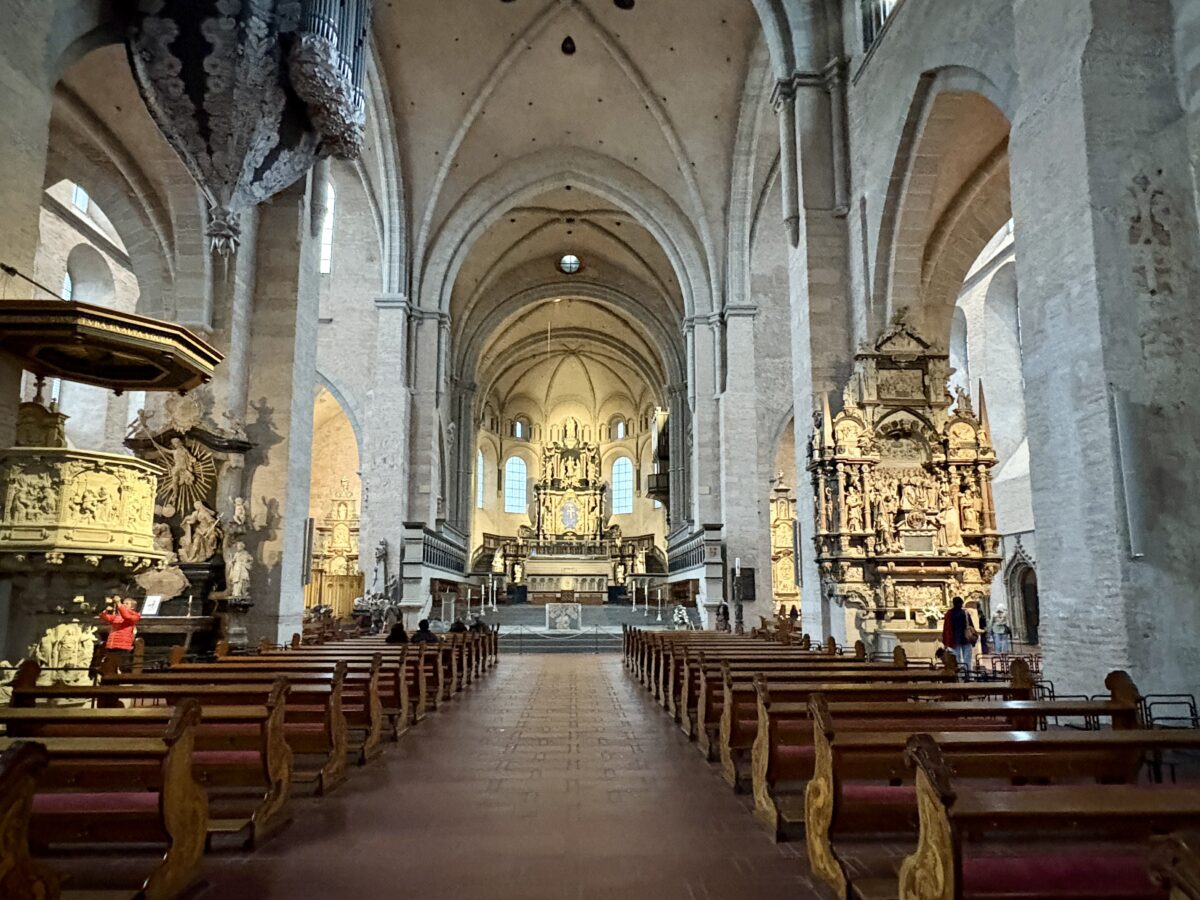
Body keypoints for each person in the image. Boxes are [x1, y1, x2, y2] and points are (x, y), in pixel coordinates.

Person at [99, 597, 141, 669]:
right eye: (123, 603)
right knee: (110, 666)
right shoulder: (117, 617)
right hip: (112, 645)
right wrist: (104, 610)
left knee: (121, 666)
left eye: (127, 604)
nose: (124, 605)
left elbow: (126, 616)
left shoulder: (135, 616)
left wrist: (119, 603)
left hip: (122, 646)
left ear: (132, 607)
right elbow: (105, 617)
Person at [940, 596, 976, 676]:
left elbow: (946, 628)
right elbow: (971, 626)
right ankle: (968, 674)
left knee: (957, 659)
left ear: (953, 603)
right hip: (966, 638)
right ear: (962, 603)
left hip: (955, 639)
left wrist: (946, 640)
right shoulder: (965, 613)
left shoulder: (949, 613)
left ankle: (959, 675)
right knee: (968, 658)